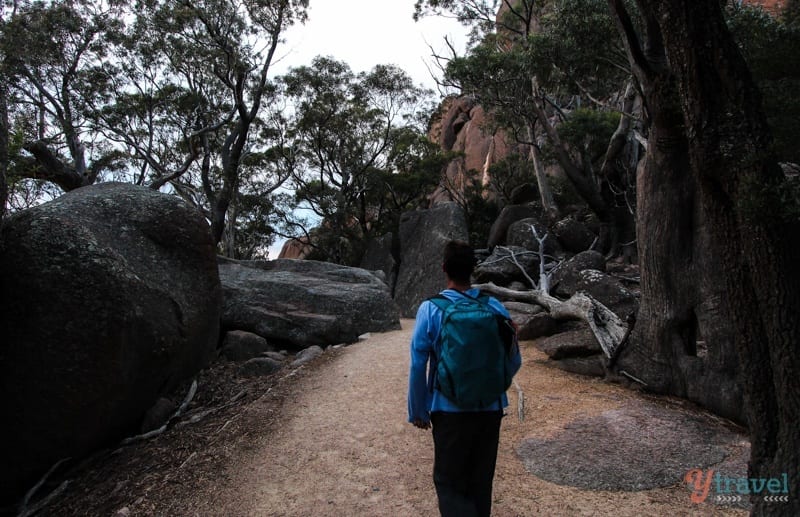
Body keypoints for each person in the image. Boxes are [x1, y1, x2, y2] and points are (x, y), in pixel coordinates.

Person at [407, 240, 522, 517]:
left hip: (449, 412)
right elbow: (514, 360)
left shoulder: (431, 309)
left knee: (450, 484)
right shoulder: (494, 307)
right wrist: (494, 389)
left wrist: (418, 410)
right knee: (481, 483)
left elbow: (418, 363)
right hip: (490, 410)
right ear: (473, 269)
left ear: (444, 268)